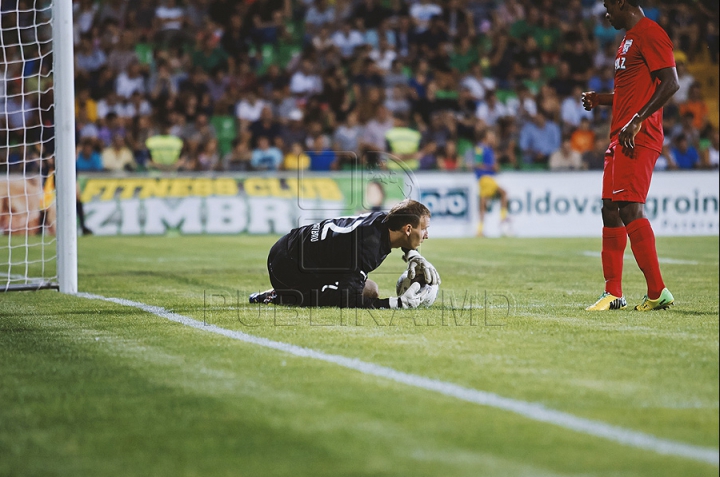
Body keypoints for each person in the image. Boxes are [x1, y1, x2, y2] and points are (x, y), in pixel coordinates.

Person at [581, 0, 679, 312]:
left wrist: (638, 120)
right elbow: (631, 91)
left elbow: (671, 82)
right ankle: (613, 294)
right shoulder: (627, 40)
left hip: (638, 136)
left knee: (630, 208)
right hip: (619, 136)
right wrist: (600, 100)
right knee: (610, 209)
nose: (606, 14)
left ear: (624, 3)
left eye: (609, 6)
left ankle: (657, 291)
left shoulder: (651, 33)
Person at [249, 199, 440, 309]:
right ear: (408, 229)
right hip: (286, 267)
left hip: (288, 244)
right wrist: (395, 303)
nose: (427, 235)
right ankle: (283, 295)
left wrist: (412, 255)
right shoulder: (366, 249)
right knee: (355, 294)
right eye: (424, 229)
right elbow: (349, 299)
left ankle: (292, 290)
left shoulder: (384, 219)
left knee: (370, 288)